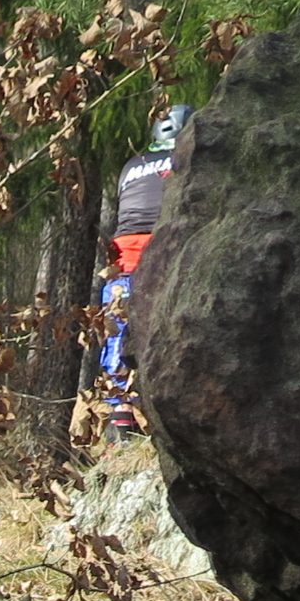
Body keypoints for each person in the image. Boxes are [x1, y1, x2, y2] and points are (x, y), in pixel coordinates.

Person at [97, 103, 193, 437]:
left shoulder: (131, 166)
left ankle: (120, 416)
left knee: (118, 332)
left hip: (122, 260)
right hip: (163, 252)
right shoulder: (188, 158)